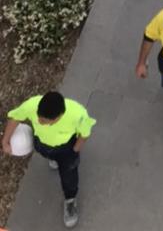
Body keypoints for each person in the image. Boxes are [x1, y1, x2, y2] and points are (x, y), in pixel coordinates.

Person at [2, 91, 96, 229]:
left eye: (44, 121)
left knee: (69, 176)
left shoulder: (77, 114)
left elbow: (85, 133)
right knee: (44, 152)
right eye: (39, 117)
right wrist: (5, 141)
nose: (39, 121)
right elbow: (15, 117)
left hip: (66, 149)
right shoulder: (33, 104)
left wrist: (75, 150)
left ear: (59, 117)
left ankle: (70, 200)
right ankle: (53, 159)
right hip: (42, 144)